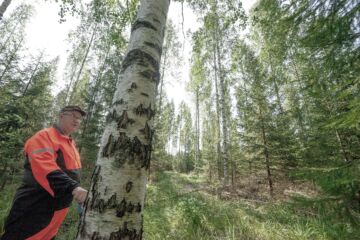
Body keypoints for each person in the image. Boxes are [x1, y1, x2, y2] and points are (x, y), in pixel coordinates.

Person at [1, 106, 88, 240]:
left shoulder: (70, 143)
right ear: (61, 115)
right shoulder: (44, 136)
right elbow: (45, 168)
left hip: (57, 211)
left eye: (79, 118)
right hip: (34, 207)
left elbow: (71, 173)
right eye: (73, 116)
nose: (77, 120)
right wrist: (73, 187)